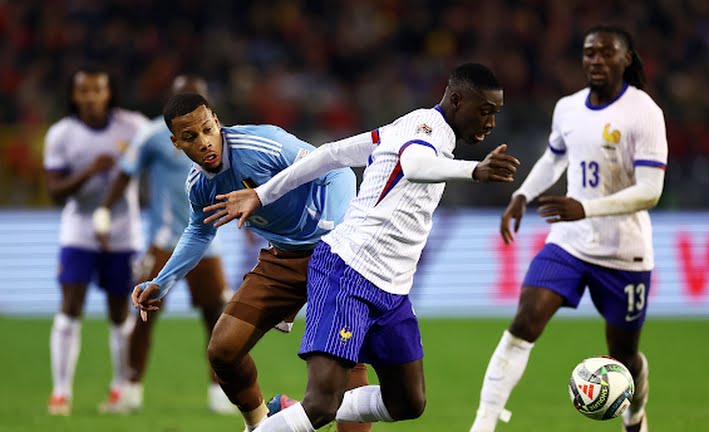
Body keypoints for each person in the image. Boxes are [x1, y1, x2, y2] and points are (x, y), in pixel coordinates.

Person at [199, 62, 520, 431]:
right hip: (349, 271)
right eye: (485, 112)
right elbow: (414, 165)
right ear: (457, 100)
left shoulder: (407, 127)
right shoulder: (424, 129)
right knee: (321, 405)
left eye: (495, 114)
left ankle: (287, 411)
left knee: (407, 402)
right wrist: (474, 170)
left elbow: (331, 154)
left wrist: (261, 194)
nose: (490, 123)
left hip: (392, 288)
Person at [129, 93, 372, 432]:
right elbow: (199, 232)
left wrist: (333, 235)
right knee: (223, 350)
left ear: (216, 121)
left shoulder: (263, 143)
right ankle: (261, 425)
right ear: (175, 143)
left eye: (207, 129)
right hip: (284, 258)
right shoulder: (199, 185)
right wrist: (162, 281)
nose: (204, 143)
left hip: (335, 253)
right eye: (190, 137)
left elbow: (338, 171)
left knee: (344, 357)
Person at [469, 26, 666, 432]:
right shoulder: (568, 108)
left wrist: (586, 207)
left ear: (626, 59)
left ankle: (636, 415)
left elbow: (651, 191)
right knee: (525, 321)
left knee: (625, 356)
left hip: (624, 250)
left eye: (606, 53)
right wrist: (522, 195)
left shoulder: (644, 112)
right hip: (570, 242)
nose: (596, 60)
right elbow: (554, 158)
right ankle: (484, 424)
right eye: (589, 52)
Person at [94, 75, 236, 414]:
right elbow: (126, 173)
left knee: (217, 318)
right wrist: (104, 210)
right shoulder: (153, 136)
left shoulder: (219, 135)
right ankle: (131, 390)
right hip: (164, 241)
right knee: (144, 313)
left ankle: (220, 392)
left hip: (207, 242)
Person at [43, 66, 149, 415]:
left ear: (108, 93)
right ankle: (60, 392)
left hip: (122, 233)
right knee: (70, 306)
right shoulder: (62, 134)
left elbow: (161, 154)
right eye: (83, 91)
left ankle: (119, 387)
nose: (90, 97)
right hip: (79, 230)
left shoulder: (132, 126)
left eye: (97, 90)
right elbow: (54, 192)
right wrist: (89, 172)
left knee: (120, 313)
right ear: (74, 95)